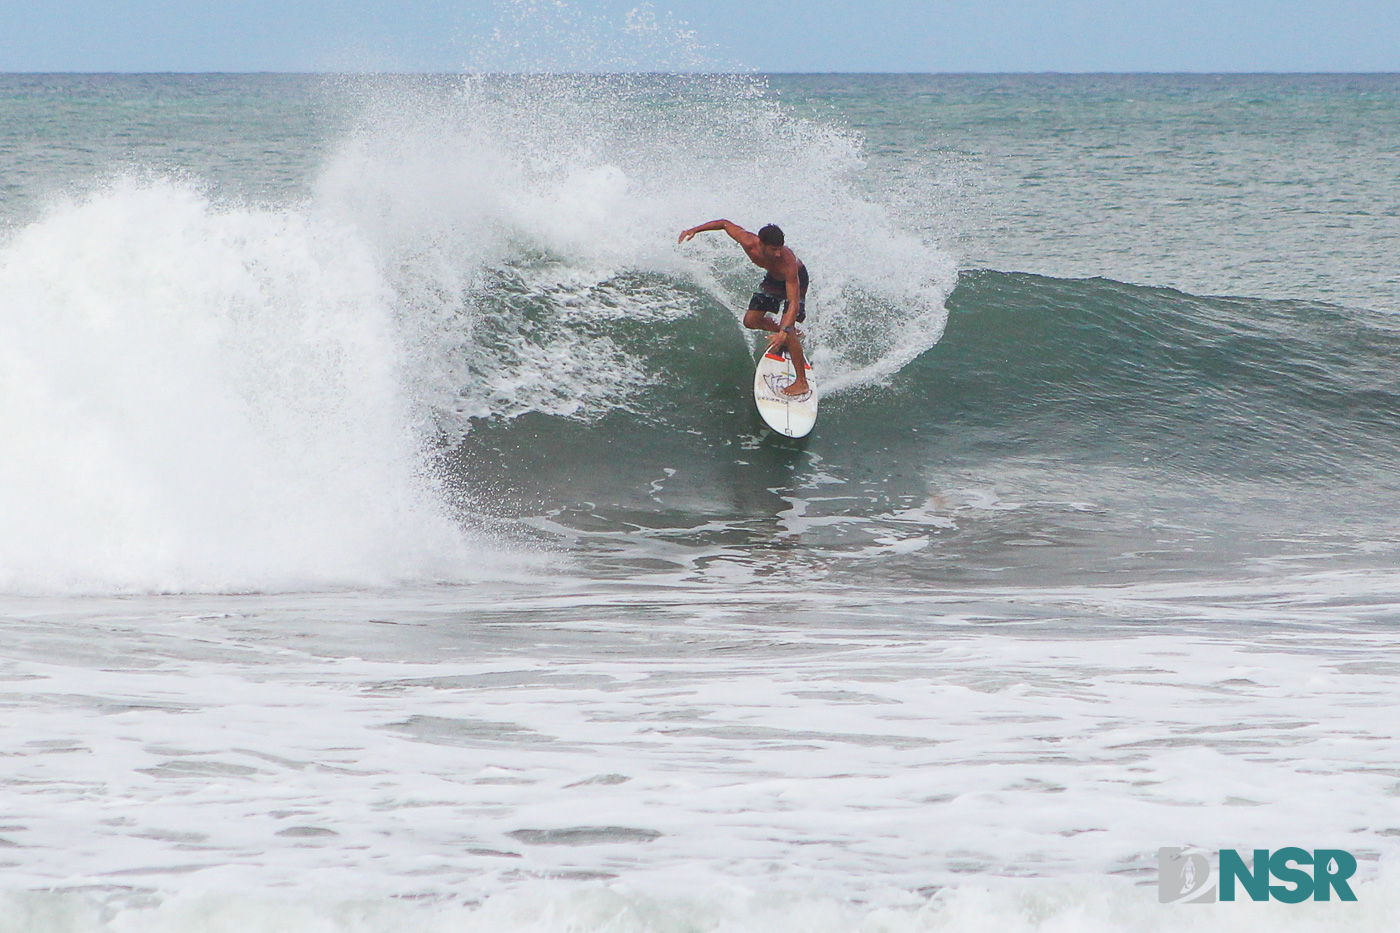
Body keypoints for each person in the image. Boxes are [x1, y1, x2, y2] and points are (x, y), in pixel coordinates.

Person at [678, 220, 810, 396]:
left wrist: (786, 330)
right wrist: (694, 229)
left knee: (789, 328)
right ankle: (784, 334)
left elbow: (793, 302)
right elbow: (724, 224)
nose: (778, 254)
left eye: (780, 248)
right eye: (773, 249)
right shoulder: (748, 241)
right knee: (750, 321)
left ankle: (802, 382)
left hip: (795, 279)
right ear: (761, 244)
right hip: (774, 277)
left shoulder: (787, 261)